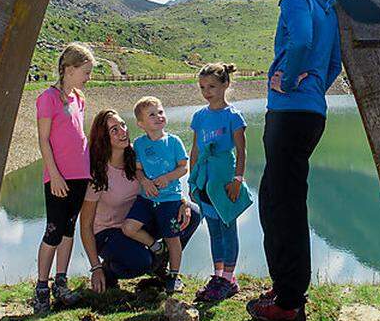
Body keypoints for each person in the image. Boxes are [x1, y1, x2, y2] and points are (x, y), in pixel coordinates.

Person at [247, 0, 342, 321]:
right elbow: (333, 60)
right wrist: (314, 85)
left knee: (277, 204)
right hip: (310, 112)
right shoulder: (323, 1)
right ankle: (288, 288)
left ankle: (287, 303)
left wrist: (286, 79)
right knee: (282, 199)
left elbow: (301, 39)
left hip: (288, 112)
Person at [76, 109, 201, 295]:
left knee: (193, 213)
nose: (123, 132)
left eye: (123, 125)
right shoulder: (98, 173)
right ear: (104, 138)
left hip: (137, 221)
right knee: (141, 262)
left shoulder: (138, 152)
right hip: (107, 233)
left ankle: (162, 264)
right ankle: (111, 269)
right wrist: (95, 268)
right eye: (114, 130)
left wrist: (182, 201)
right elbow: (85, 225)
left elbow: (163, 180)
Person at [32, 42, 95, 314]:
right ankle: (41, 288)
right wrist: (54, 175)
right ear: (69, 69)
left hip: (81, 175)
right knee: (53, 231)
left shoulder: (78, 98)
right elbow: (43, 140)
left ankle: (61, 283)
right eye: (86, 71)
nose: (88, 77)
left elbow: (79, 137)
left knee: (69, 228)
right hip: (59, 177)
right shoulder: (47, 98)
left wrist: (90, 172)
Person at [188, 63, 250, 302]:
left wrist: (238, 180)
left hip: (224, 180)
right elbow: (195, 150)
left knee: (227, 227)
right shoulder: (200, 116)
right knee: (213, 229)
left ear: (225, 85)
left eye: (212, 86)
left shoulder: (233, 116)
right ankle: (217, 276)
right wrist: (192, 182)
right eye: (203, 87)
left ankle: (228, 279)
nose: (207, 91)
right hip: (205, 180)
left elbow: (242, 152)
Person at [122, 96, 191, 294]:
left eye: (160, 112)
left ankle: (174, 275)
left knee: (173, 238)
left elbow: (183, 168)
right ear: (141, 124)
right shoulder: (139, 144)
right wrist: (144, 181)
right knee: (129, 228)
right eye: (152, 114)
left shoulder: (174, 141)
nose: (158, 116)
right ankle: (156, 248)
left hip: (169, 199)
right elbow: (138, 170)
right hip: (146, 199)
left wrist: (168, 177)